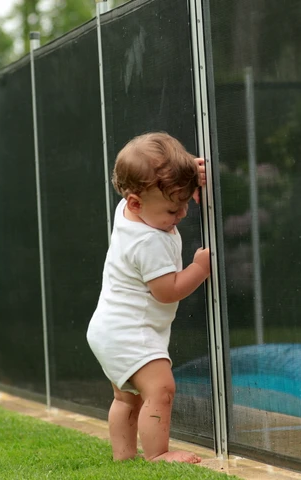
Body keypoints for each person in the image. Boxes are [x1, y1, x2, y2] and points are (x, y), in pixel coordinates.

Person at [86, 132, 210, 464]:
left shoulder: (129, 209)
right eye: (173, 208)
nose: (182, 213)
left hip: (109, 329)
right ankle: (159, 454)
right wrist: (199, 268)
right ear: (137, 202)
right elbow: (167, 291)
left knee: (127, 399)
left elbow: (152, 179)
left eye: (185, 201)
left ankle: (123, 458)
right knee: (161, 389)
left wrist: (188, 175)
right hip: (131, 331)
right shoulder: (147, 242)